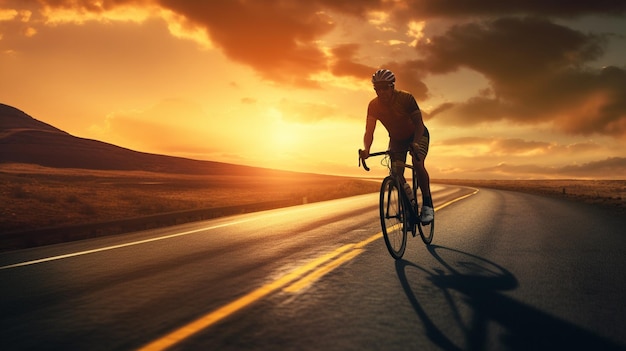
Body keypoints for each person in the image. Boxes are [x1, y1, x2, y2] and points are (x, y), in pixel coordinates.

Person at [360, 69, 434, 223]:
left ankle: (427, 204)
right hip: (397, 140)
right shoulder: (373, 105)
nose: (381, 92)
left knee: (417, 162)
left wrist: (415, 143)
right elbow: (369, 131)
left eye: (384, 87)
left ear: (392, 86)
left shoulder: (406, 98)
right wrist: (367, 149)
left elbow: (419, 124)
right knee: (396, 173)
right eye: (377, 89)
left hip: (417, 135)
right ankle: (408, 206)